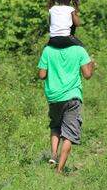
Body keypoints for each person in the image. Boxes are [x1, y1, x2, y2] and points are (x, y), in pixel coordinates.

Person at [38, 44, 96, 175]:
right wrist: (91, 64)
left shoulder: (48, 50)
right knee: (68, 134)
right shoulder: (80, 50)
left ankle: (53, 154)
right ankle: (59, 172)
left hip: (54, 96)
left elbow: (42, 75)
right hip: (72, 97)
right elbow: (87, 74)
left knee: (55, 126)